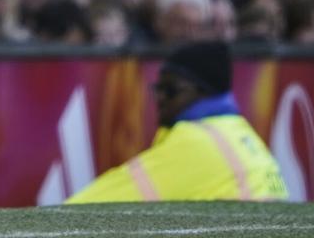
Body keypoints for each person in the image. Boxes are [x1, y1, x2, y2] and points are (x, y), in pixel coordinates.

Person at [66, 40, 288, 203]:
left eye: (170, 90)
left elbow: (102, 200)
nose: (160, 97)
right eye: (158, 88)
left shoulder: (196, 140)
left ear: (201, 92)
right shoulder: (238, 131)